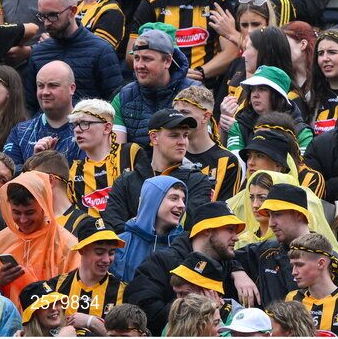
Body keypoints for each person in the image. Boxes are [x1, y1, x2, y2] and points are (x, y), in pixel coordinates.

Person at [124, 200, 248, 334]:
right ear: (207, 230)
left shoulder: (231, 269)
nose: (236, 237)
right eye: (230, 229)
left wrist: (237, 269)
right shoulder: (161, 261)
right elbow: (141, 313)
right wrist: (196, 305)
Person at [103, 108, 213, 233]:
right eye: (174, 135)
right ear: (154, 137)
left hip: (177, 252)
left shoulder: (197, 181)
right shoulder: (126, 181)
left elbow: (192, 227)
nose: (182, 142)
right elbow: (113, 225)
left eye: (185, 135)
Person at [0, 171, 79, 307]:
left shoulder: (67, 245)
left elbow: (75, 293)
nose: (23, 220)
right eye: (16, 212)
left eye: (29, 213)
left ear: (43, 205)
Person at [110, 26, 194, 148]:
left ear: (167, 61)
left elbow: (202, 150)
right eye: (136, 58)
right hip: (135, 166)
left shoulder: (194, 96)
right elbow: (117, 154)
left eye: (147, 59)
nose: (139, 65)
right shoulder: (123, 97)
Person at [67, 98, 147, 216]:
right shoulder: (74, 169)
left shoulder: (130, 153)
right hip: (92, 234)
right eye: (75, 125)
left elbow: (149, 197)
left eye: (85, 123)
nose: (77, 130)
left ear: (107, 128)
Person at [47, 217, 126, 333]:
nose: (106, 260)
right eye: (99, 252)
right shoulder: (56, 286)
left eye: (111, 253)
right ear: (82, 250)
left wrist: (92, 322)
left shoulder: (123, 291)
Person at [285, 232, 338, 335]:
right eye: (293, 266)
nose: (294, 272)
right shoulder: (292, 298)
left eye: (299, 265)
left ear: (321, 263)